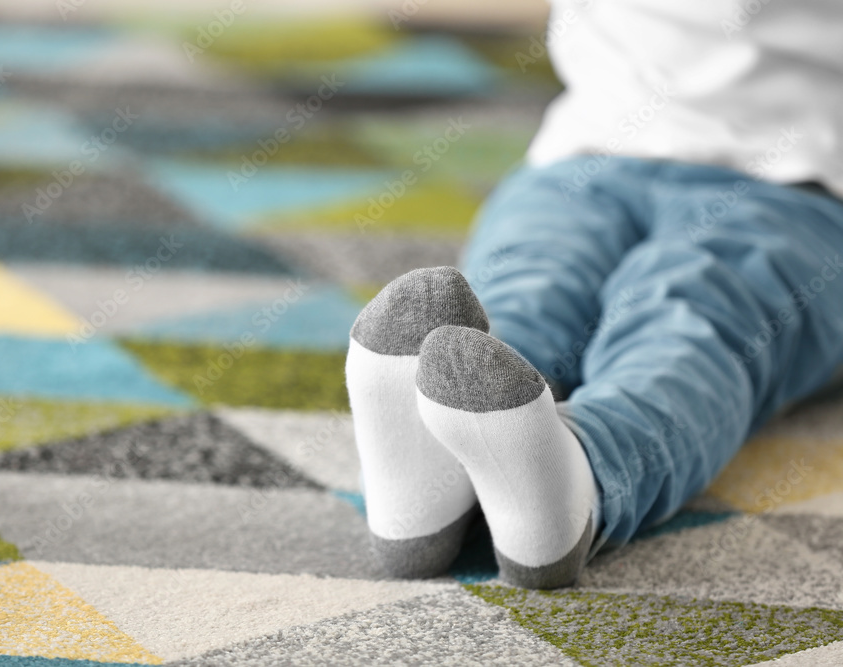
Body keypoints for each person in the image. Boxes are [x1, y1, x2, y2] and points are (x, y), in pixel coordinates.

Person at [345, 0, 843, 588]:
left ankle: (580, 479)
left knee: (690, 318)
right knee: (527, 288)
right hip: (586, 152)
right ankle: (429, 481)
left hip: (801, 185)